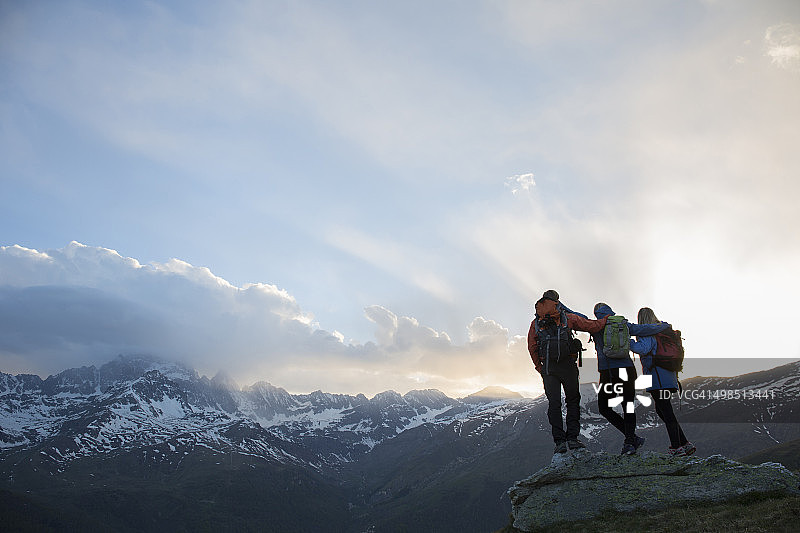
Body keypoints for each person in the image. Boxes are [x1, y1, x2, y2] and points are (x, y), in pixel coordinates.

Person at [528, 291, 608, 454]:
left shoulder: (536, 323)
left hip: (549, 368)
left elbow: (532, 346)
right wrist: (605, 320)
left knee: (554, 403)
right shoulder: (566, 317)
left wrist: (540, 367)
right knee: (572, 400)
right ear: (557, 301)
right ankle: (572, 438)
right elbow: (590, 326)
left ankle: (559, 442)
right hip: (568, 366)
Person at [592, 303, 671, 455]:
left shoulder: (594, 325)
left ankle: (631, 438)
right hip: (626, 370)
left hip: (607, 372)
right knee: (627, 406)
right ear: (611, 311)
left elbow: (575, 316)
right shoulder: (623, 324)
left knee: (604, 408)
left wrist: (557, 304)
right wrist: (663, 326)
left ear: (596, 313)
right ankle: (630, 441)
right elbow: (645, 329)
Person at [630, 307, 696, 456]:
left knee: (666, 411)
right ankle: (685, 443)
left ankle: (676, 447)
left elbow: (642, 349)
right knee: (663, 410)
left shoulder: (648, 334)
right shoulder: (663, 332)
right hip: (669, 378)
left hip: (657, 379)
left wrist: (627, 342)